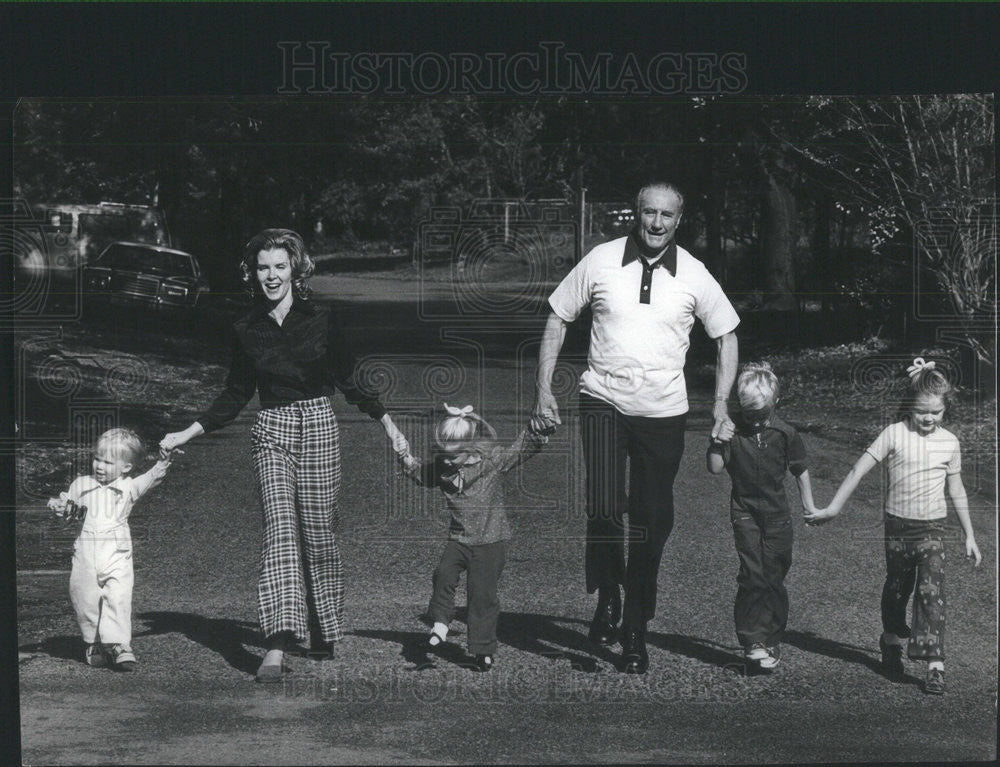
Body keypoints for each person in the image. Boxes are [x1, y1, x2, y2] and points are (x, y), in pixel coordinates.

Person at [159, 229, 411, 683]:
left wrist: (388, 425)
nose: (271, 275)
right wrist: (187, 433)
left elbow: (351, 380)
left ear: (295, 268)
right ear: (251, 273)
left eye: (279, 266)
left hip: (318, 425)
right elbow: (236, 393)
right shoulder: (245, 327)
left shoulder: (323, 319)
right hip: (271, 430)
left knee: (317, 531)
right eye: (262, 267)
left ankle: (323, 624)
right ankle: (275, 645)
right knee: (279, 530)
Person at [532, 180, 740, 674]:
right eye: (649, 212)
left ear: (678, 220)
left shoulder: (694, 273)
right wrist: (544, 389)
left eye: (667, 215)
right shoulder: (601, 260)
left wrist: (720, 406)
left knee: (652, 520)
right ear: (636, 213)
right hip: (601, 400)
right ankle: (608, 589)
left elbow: (727, 335)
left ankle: (635, 625)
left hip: (664, 412)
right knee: (604, 506)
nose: (656, 223)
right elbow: (558, 317)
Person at [804, 358, 982, 695]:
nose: (929, 418)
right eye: (921, 411)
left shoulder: (949, 443)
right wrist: (833, 508)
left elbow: (956, 489)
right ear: (909, 406)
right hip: (898, 528)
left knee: (931, 593)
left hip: (933, 529)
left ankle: (934, 665)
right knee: (898, 589)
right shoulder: (894, 434)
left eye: (936, 413)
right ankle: (890, 639)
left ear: (947, 410)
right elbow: (859, 470)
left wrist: (970, 534)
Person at [399, 404, 548, 672]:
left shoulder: (491, 462)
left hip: (491, 542)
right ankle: (441, 622)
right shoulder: (444, 468)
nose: (446, 461)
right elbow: (423, 473)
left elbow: (520, 449)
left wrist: (537, 431)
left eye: (452, 457)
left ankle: (483, 650)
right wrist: (407, 461)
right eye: (442, 455)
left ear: (469, 450)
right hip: (459, 539)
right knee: (443, 574)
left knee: (482, 597)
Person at [707, 362, 817, 670]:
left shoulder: (785, 433)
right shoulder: (733, 430)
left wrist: (809, 505)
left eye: (761, 414)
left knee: (774, 576)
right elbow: (715, 468)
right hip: (745, 514)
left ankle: (772, 637)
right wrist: (718, 439)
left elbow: (800, 469)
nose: (756, 421)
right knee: (753, 574)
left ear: (775, 403)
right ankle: (752, 640)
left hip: (778, 515)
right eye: (749, 414)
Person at [47, 428, 172, 671]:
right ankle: (94, 642)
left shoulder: (129, 488)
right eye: (97, 459)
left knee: (118, 594)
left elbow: (152, 477)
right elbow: (74, 513)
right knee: (84, 596)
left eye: (108, 462)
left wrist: (164, 460)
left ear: (126, 467)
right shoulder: (82, 485)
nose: (100, 466)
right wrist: (62, 507)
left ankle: (118, 644)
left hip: (117, 550)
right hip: (86, 549)